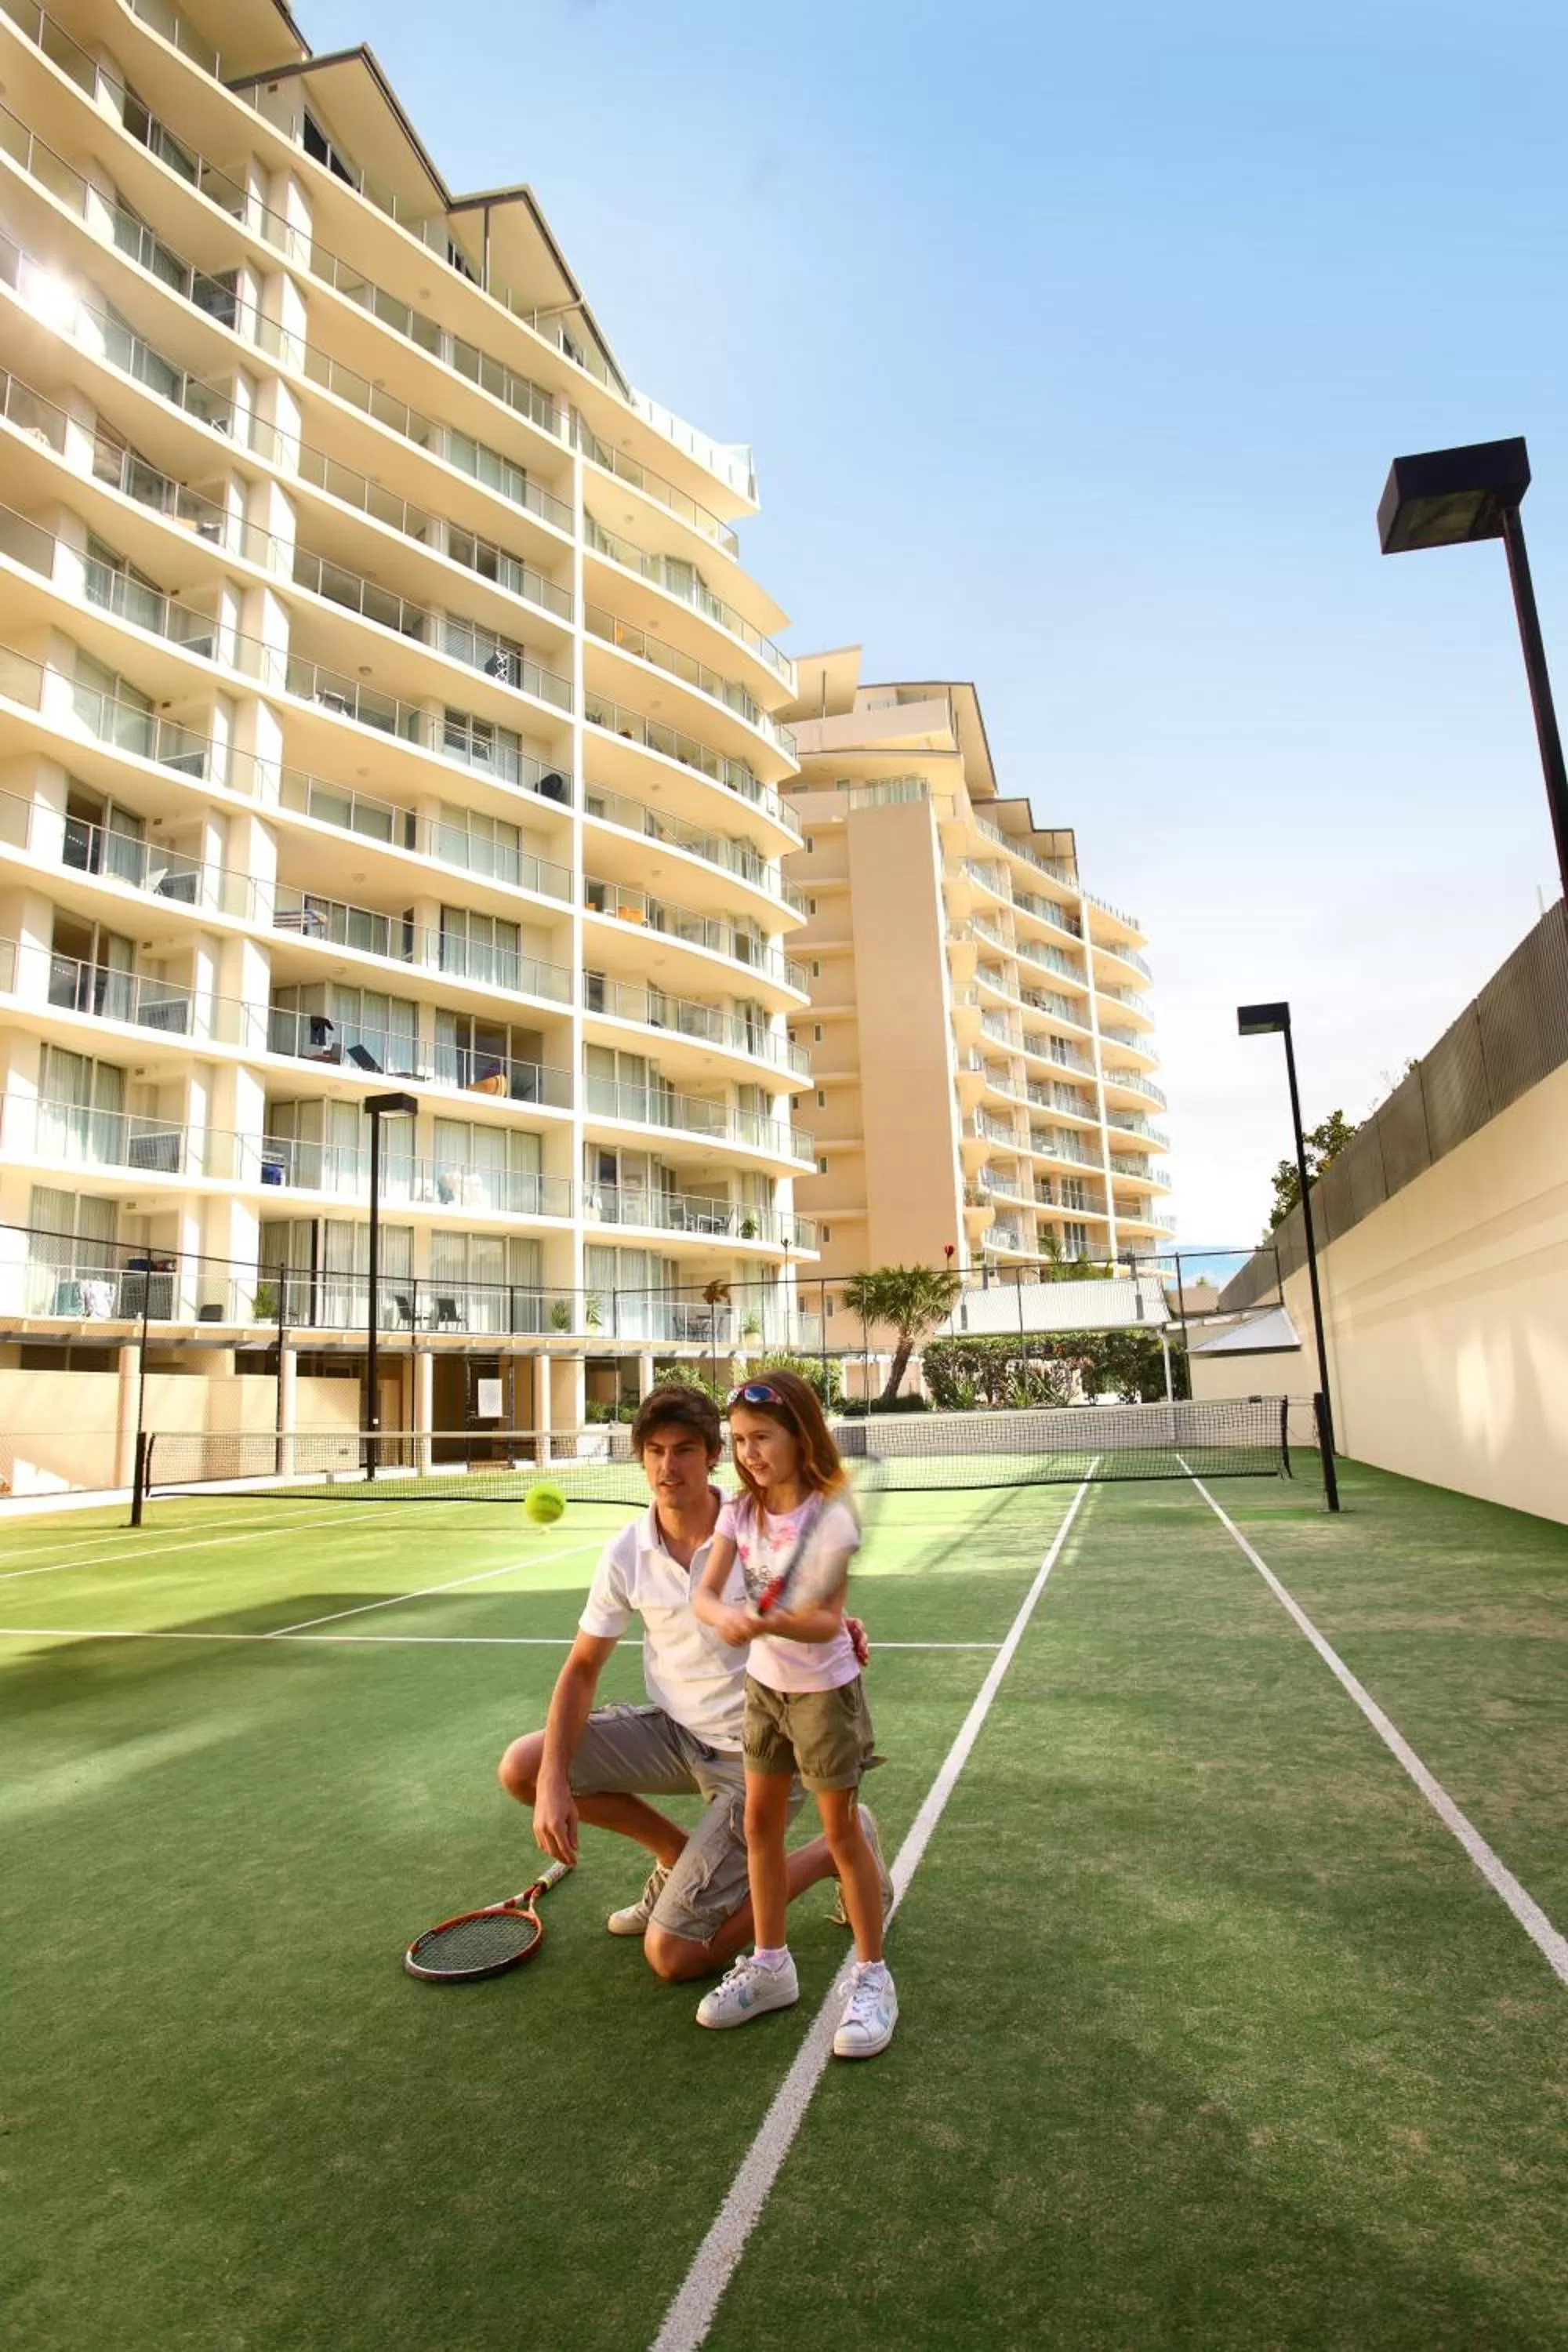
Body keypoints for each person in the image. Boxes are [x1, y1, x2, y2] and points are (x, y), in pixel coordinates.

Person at [496, 1382, 891, 1985]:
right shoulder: (627, 1550)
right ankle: (677, 1854)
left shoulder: (752, 1523)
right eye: (654, 1451)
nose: (667, 1466)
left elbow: (811, 1605)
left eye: (684, 1449)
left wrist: (835, 1627)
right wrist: (553, 1781)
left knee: (676, 1956)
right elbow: (581, 1668)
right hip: (675, 1733)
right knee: (525, 1765)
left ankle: (825, 1856)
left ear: (712, 1456)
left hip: (758, 1754)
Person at [691, 1372, 897, 2060]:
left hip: (822, 1696)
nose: (748, 1454)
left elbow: (827, 1620)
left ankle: (872, 1975)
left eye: (762, 1439)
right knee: (758, 1825)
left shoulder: (832, 1516)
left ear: (799, 1435)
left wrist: (772, 1618)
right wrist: (728, 1617)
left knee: (840, 1834)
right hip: (764, 1693)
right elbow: (706, 1593)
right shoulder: (738, 1515)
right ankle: (772, 1962)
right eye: (739, 1441)